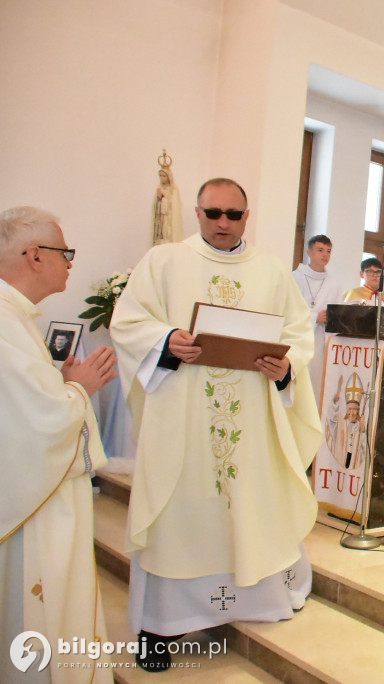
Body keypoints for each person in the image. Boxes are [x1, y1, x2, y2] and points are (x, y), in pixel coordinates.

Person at [109, 178, 321, 671]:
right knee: (177, 516)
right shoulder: (164, 262)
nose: (223, 223)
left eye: (234, 214)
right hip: (181, 420)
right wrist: (166, 340)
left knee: (246, 508)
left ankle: (258, 602)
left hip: (250, 421)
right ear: (198, 214)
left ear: (247, 217)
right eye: (213, 213)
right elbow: (128, 322)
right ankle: (159, 628)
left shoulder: (270, 271)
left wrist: (284, 368)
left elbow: (296, 335)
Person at [0, 206, 119, 681]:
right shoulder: (6, 325)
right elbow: (38, 426)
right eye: (63, 252)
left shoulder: (17, 318)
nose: (70, 262)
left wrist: (62, 383)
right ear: (34, 255)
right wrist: (80, 388)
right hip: (32, 511)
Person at [292, 234, 343, 408]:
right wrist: (314, 317)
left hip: (322, 344)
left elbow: (338, 312)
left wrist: (332, 317)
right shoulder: (294, 278)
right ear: (309, 252)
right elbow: (288, 310)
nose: (325, 255)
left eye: (328, 251)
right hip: (297, 342)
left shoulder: (334, 283)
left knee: (317, 391)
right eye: (320, 250)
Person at [152, 164, 183, 245]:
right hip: (161, 217)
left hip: (169, 219)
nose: (162, 178)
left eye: (164, 176)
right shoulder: (159, 188)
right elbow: (156, 206)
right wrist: (159, 199)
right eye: (160, 176)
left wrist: (164, 197)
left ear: (169, 177)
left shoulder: (173, 190)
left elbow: (174, 205)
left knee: (168, 234)